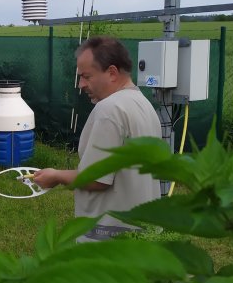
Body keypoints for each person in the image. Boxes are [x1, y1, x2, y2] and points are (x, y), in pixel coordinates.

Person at [33, 36, 162, 241]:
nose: (81, 84)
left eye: (87, 76)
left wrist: (56, 176)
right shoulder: (143, 104)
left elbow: (95, 180)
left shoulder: (109, 109)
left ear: (111, 72)